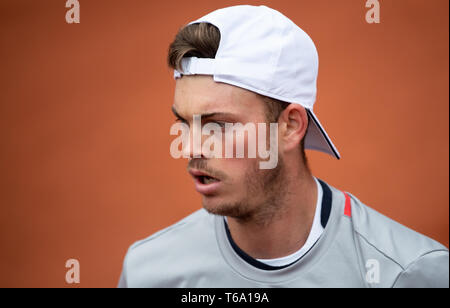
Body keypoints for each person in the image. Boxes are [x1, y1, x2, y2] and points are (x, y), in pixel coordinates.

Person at [118, 5, 449, 288]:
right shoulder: (149, 273)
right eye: (184, 123)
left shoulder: (408, 273)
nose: (190, 147)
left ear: (291, 126)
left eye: (217, 125)